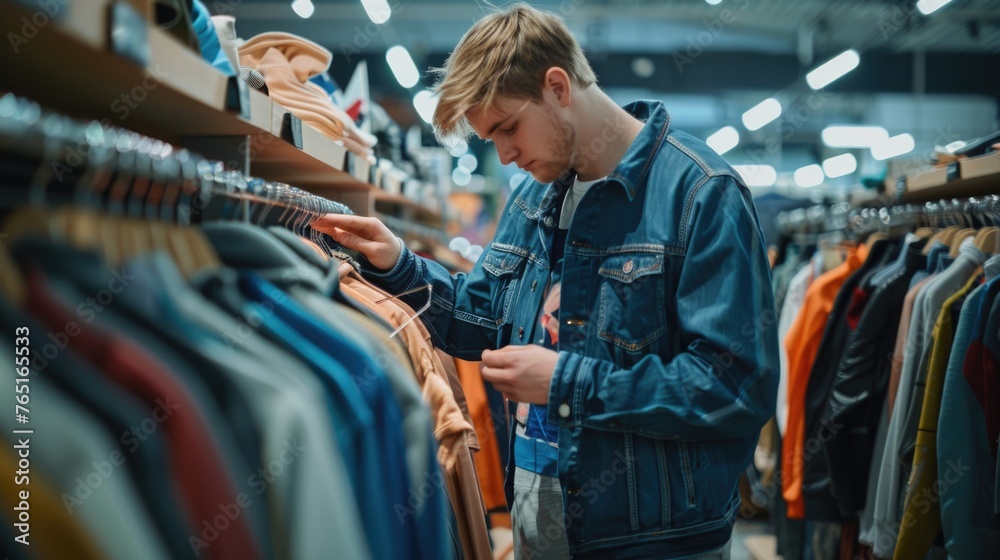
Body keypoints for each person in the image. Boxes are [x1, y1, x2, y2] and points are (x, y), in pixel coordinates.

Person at [312, 3, 778, 558]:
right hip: (539, 525)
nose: (506, 155)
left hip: (653, 542)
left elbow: (735, 387)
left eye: (508, 128)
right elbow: (481, 319)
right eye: (491, 138)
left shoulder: (701, 193)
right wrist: (399, 265)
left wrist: (566, 384)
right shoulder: (534, 197)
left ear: (558, 86)